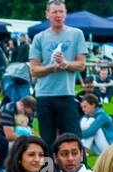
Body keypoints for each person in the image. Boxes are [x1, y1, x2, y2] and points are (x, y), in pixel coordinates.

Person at [29, 0, 87, 143]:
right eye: (54, 12)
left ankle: (82, 166)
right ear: (47, 14)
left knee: (74, 138)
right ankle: (49, 166)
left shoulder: (76, 34)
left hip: (66, 94)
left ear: (66, 14)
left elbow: (81, 65)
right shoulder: (39, 38)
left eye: (61, 11)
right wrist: (53, 67)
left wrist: (65, 63)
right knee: (46, 140)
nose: (58, 15)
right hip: (44, 96)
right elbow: (34, 70)